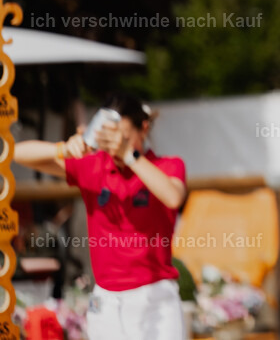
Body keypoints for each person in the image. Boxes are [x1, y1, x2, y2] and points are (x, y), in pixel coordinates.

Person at [14, 93, 188, 340]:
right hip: (106, 300)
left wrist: (130, 154)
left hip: (156, 299)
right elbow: (16, 152)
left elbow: (173, 197)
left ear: (144, 128)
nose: (117, 147)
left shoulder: (167, 166)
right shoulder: (95, 166)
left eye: (125, 138)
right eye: (112, 140)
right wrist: (64, 147)